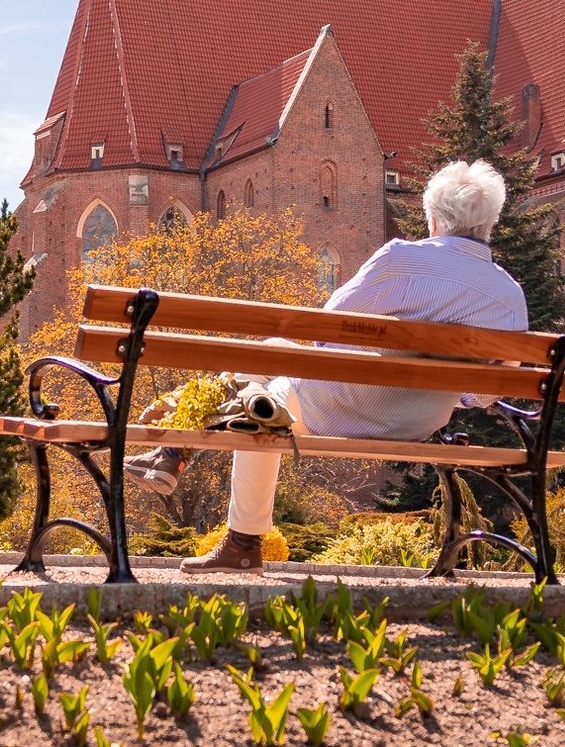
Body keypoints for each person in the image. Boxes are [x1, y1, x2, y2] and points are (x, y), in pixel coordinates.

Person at [127, 159, 529, 572]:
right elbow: (485, 392)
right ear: (489, 223)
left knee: (258, 400)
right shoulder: (510, 295)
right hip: (419, 421)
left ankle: (228, 523)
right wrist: (444, 390)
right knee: (271, 352)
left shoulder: (402, 259)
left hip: (332, 407)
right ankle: (172, 451)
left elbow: (329, 327)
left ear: (434, 220)